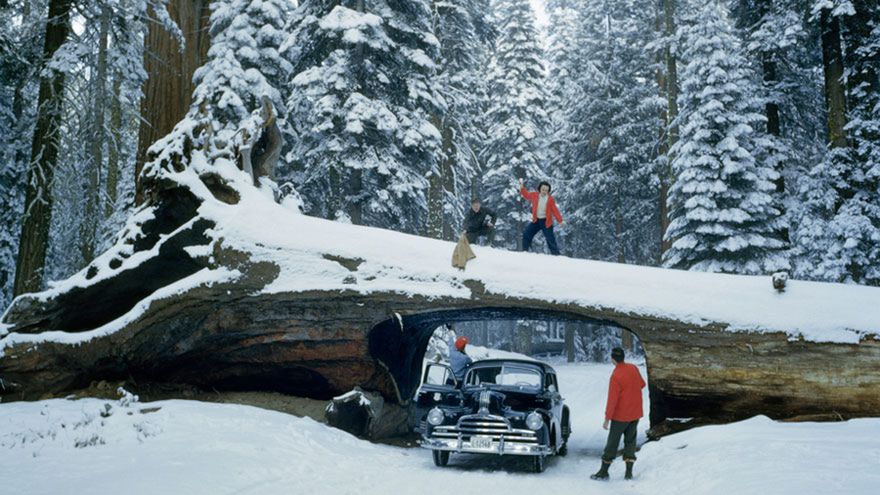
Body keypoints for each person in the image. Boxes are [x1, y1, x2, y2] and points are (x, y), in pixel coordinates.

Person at [591, 347, 646, 481]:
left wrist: (607, 418)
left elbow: (612, 399)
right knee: (630, 442)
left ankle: (604, 472)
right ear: (623, 357)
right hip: (635, 413)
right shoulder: (633, 368)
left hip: (621, 416)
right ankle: (628, 473)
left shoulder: (616, 375)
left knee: (612, 443)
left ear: (613, 359)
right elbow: (642, 384)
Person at [518, 178, 563, 255]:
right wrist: (522, 187)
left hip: (546, 222)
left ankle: (556, 256)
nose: (544, 191)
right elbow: (526, 195)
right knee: (526, 234)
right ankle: (524, 252)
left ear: (548, 191)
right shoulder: (534, 195)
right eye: (543, 189)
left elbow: (555, 210)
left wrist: (560, 220)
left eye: (546, 190)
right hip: (536, 221)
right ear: (539, 189)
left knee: (550, 239)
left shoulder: (550, 199)